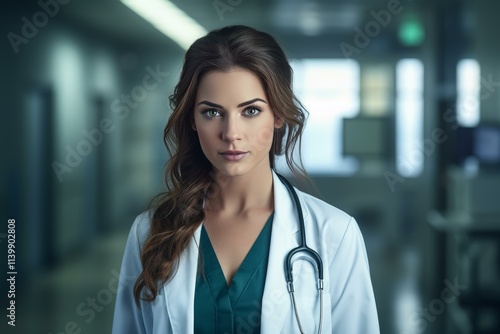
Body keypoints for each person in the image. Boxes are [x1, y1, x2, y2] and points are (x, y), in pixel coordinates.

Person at [112, 25, 379, 334]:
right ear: (192, 120)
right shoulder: (150, 233)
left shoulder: (335, 234)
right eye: (212, 113)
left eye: (250, 110)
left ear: (278, 114)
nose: (231, 134)